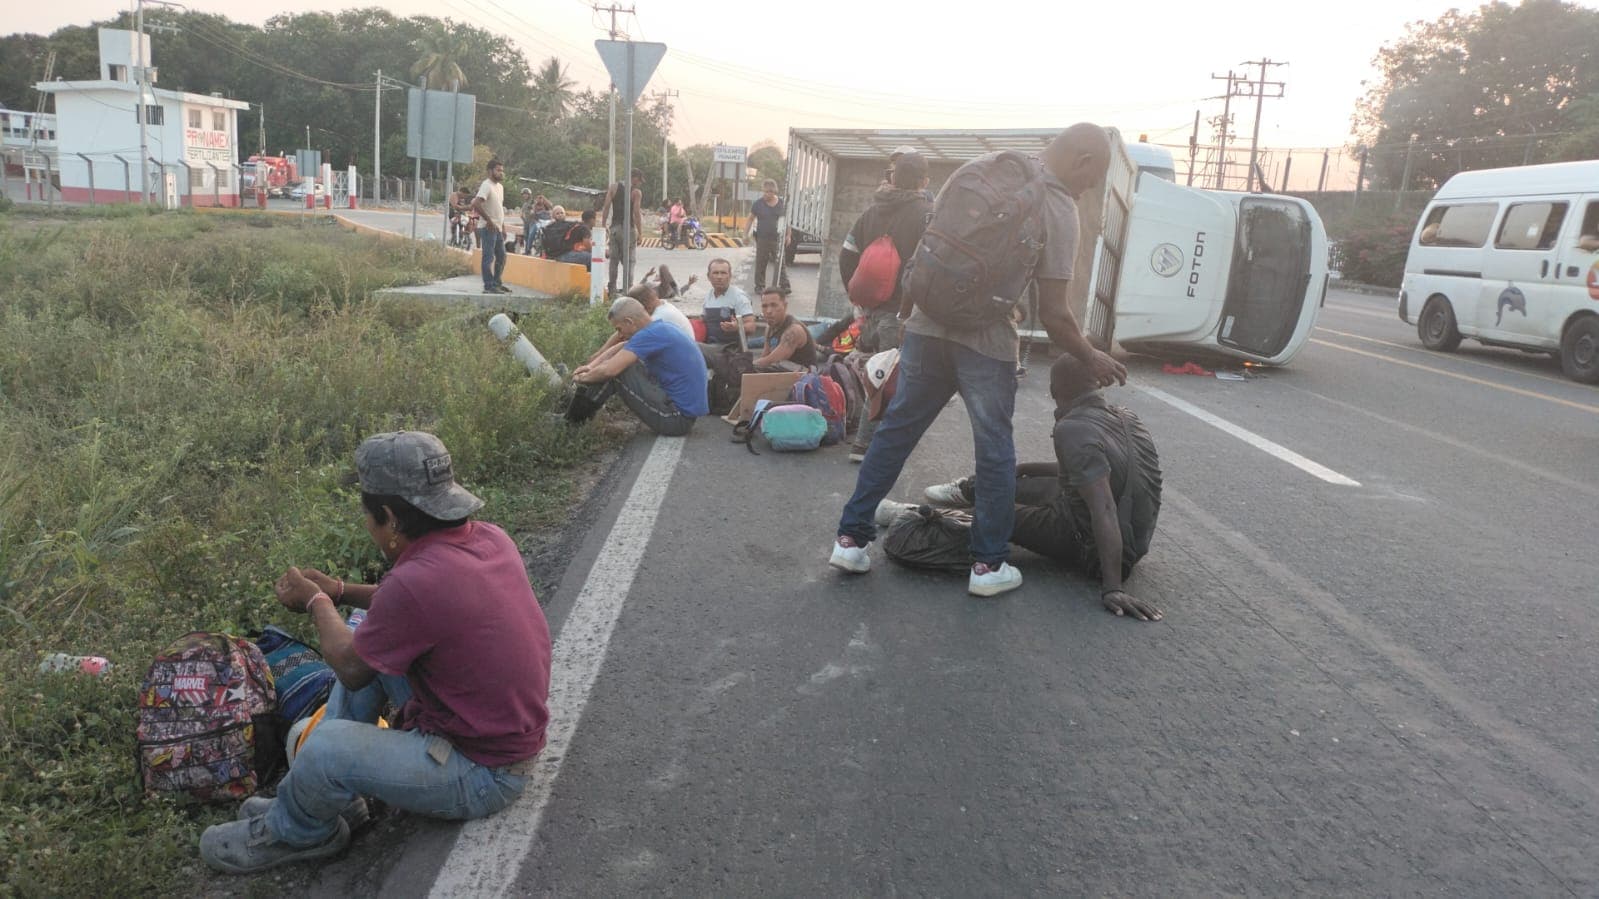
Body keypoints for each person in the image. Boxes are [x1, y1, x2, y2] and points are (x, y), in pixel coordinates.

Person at [198, 431, 550, 874]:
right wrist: (341, 591)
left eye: (369, 515)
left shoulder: (417, 583)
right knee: (366, 627)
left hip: (484, 773)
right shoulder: (486, 539)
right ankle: (327, 798)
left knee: (326, 746)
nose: (368, 525)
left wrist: (316, 601)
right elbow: (401, 607)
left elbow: (349, 668)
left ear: (389, 516)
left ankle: (300, 832)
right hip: (495, 735)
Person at [829, 123, 1128, 598]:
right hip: (985, 342)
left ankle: (850, 538)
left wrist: (908, 318)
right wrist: (1091, 356)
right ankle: (987, 566)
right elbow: (1055, 314)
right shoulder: (1057, 207)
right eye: (1092, 179)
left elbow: (925, 258)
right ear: (1084, 161)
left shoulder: (974, 171)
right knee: (994, 450)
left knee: (897, 429)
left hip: (927, 326)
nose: (1087, 188)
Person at [880, 354, 1163, 618]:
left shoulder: (1072, 429)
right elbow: (1086, 474)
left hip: (1094, 547)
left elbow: (1103, 506)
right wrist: (1025, 470)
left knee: (997, 513)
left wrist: (1112, 586)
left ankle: (920, 513)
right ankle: (968, 489)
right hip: (1128, 538)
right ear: (1096, 382)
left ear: (1053, 389)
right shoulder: (1124, 416)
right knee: (1007, 482)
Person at [839, 151, 934, 461]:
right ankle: (864, 444)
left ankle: (862, 426)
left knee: (874, 367)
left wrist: (857, 298)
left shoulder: (872, 211)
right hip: (902, 313)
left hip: (870, 309)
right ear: (924, 181)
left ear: (893, 177)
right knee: (888, 375)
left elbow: (846, 254)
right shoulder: (927, 214)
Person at [567, 297, 709, 436]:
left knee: (617, 372)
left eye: (619, 329)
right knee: (615, 365)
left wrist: (581, 379)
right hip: (681, 413)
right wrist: (590, 368)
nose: (620, 335)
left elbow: (609, 370)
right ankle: (575, 412)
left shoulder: (649, 335)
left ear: (629, 322)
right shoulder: (660, 327)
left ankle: (572, 422)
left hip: (676, 419)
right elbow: (621, 347)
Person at [585, 284, 694, 366]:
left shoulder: (658, 319)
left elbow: (627, 344)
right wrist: (600, 354)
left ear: (641, 306)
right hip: (679, 361)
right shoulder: (661, 305)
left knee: (622, 366)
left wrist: (598, 361)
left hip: (678, 366)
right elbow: (620, 333)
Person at [601, 169, 645, 297]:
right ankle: (629, 289)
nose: (639, 183)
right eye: (639, 180)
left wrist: (603, 225)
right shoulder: (636, 193)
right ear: (634, 178)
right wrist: (640, 233)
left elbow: (606, 207)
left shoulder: (613, 187)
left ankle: (612, 289)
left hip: (614, 229)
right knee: (630, 261)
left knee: (613, 260)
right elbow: (636, 213)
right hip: (629, 230)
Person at [750, 289, 818, 370]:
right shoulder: (769, 327)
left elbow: (771, 360)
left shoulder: (793, 331)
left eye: (774, 305)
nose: (768, 311)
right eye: (764, 306)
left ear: (785, 306)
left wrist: (747, 366)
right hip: (785, 372)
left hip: (804, 378)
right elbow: (765, 356)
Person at [699, 257, 757, 350]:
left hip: (729, 349)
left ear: (730, 276)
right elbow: (703, 320)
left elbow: (751, 327)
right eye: (715, 273)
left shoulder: (739, 297)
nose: (719, 277)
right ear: (708, 276)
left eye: (723, 273)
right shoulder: (708, 296)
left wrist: (737, 327)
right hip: (709, 346)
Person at [472, 160, 510, 294]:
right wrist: (488, 220)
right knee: (488, 257)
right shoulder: (486, 185)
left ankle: (497, 283)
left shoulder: (499, 187)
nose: (501, 173)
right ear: (490, 171)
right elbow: (476, 203)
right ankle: (488, 286)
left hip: (498, 228)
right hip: (488, 228)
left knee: (502, 256)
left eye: (502, 170)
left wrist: (503, 227)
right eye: (498, 170)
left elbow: (498, 209)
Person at [748, 179, 791, 294]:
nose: (767, 194)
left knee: (780, 262)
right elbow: (750, 219)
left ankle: (785, 285)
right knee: (761, 262)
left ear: (774, 192)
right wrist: (744, 234)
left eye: (770, 192)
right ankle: (759, 286)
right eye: (766, 192)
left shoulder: (781, 203)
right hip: (762, 238)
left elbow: (786, 221)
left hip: (777, 239)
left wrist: (788, 235)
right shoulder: (758, 204)